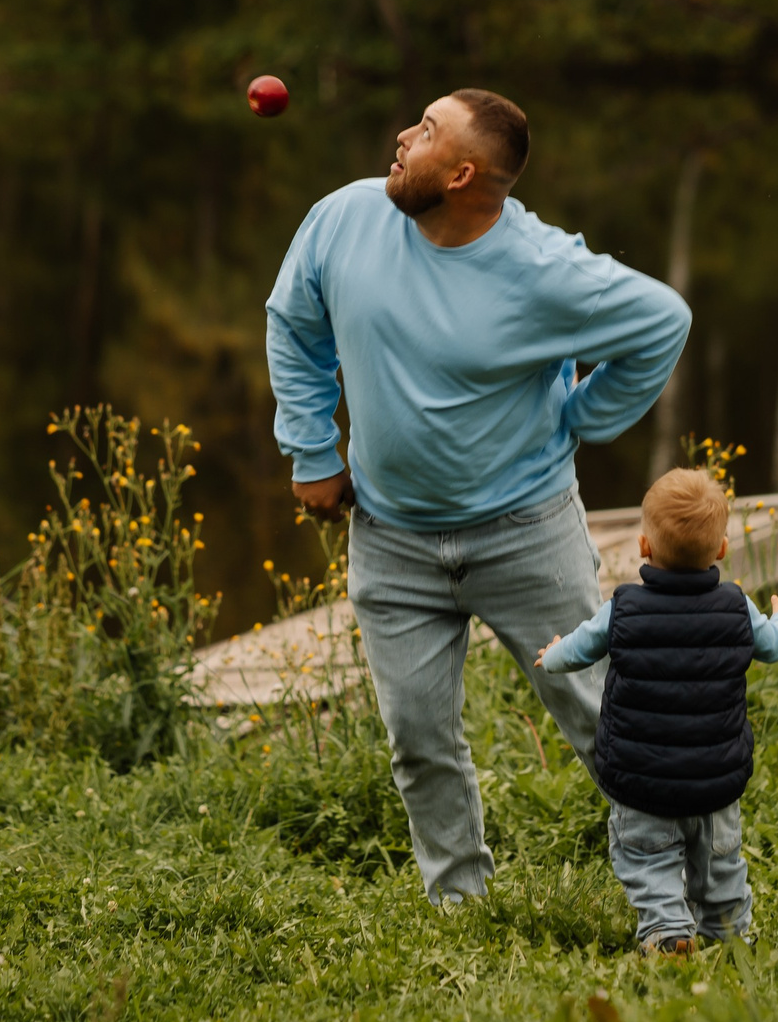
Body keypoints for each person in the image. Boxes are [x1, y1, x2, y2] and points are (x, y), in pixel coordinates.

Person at [265, 88, 691, 906]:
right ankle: (459, 904)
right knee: (418, 740)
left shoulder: (543, 268)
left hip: (525, 533)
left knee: (603, 717)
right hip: (391, 537)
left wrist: (583, 417)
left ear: (462, 174)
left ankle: (677, 889)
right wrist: (312, 448)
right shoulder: (344, 219)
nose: (401, 136)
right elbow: (295, 322)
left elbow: (661, 321)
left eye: (425, 131)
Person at [534, 468, 778, 952]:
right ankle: (727, 935)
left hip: (642, 781)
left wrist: (551, 655)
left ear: (643, 546)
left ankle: (666, 931)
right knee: (720, 866)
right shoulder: (736, 606)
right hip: (716, 781)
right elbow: (772, 645)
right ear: (722, 549)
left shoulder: (624, 608)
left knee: (649, 861)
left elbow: (577, 650)